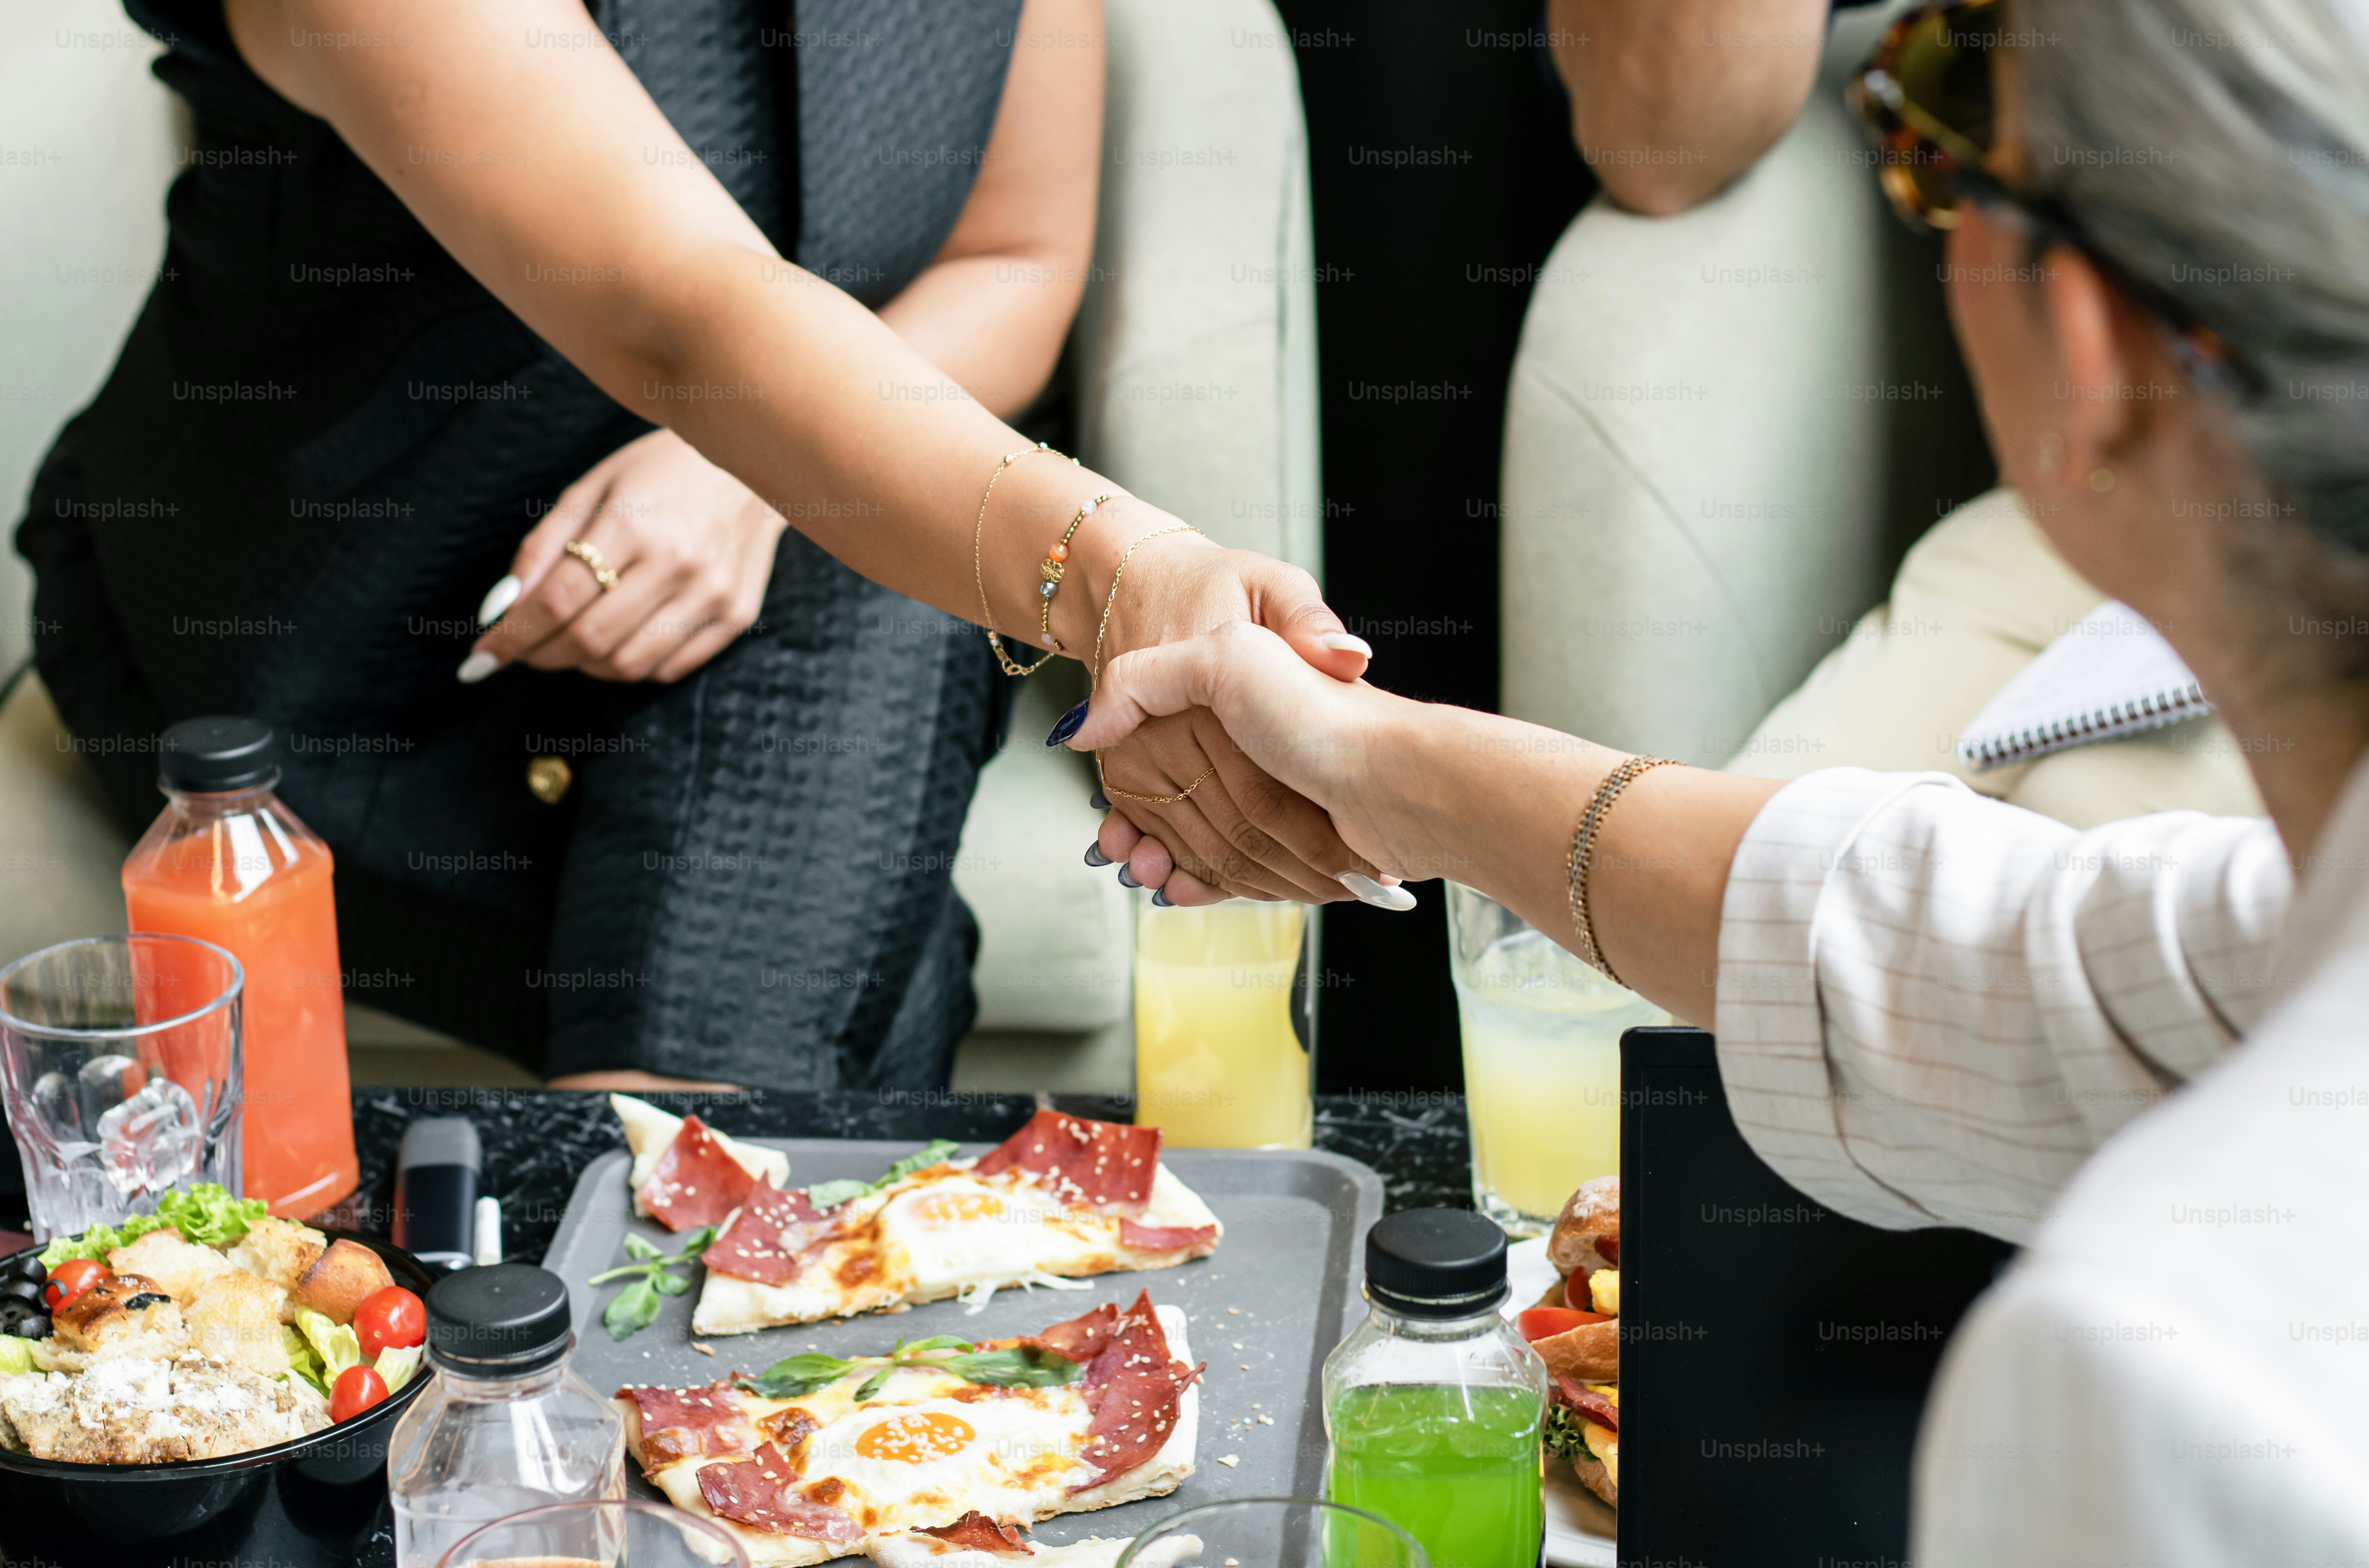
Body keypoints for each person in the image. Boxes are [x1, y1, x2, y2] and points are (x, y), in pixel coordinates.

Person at [1073, 0, 2369, 1555]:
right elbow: (2039, 964)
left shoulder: (2148, 1376)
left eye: (1938, 155)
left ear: (2090, 360)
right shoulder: (2279, 939)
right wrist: (1375, 760)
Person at [19, 0, 1390, 1091]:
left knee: (879, 552)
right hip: (346, 649)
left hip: (762, 582)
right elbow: (673, 305)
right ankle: (676, 1276)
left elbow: (1011, 257)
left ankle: (619, 1291)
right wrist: (1133, 580)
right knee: (870, 940)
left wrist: (746, 488)